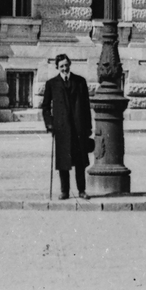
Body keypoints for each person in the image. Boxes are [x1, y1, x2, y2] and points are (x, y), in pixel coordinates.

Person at [41, 54, 93, 200]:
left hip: (78, 128)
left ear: (70, 64)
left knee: (80, 161)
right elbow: (45, 107)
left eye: (66, 65)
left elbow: (86, 106)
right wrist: (50, 124)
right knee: (64, 161)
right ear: (57, 67)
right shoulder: (52, 84)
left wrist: (88, 127)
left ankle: (82, 190)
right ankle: (64, 191)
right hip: (62, 128)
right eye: (61, 66)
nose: (64, 68)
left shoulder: (80, 81)